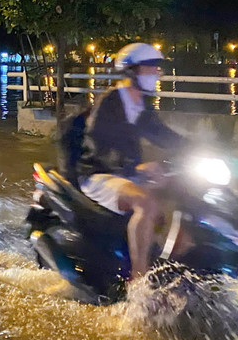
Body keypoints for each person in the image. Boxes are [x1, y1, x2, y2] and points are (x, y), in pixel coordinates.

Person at [76, 42, 187, 281]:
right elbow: (99, 146)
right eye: (151, 69)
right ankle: (138, 278)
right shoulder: (110, 102)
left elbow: (162, 134)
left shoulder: (141, 104)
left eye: (158, 69)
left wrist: (199, 148)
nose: (157, 74)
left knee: (186, 190)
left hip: (127, 173)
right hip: (99, 173)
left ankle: (179, 263)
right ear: (131, 72)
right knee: (145, 203)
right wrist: (135, 167)